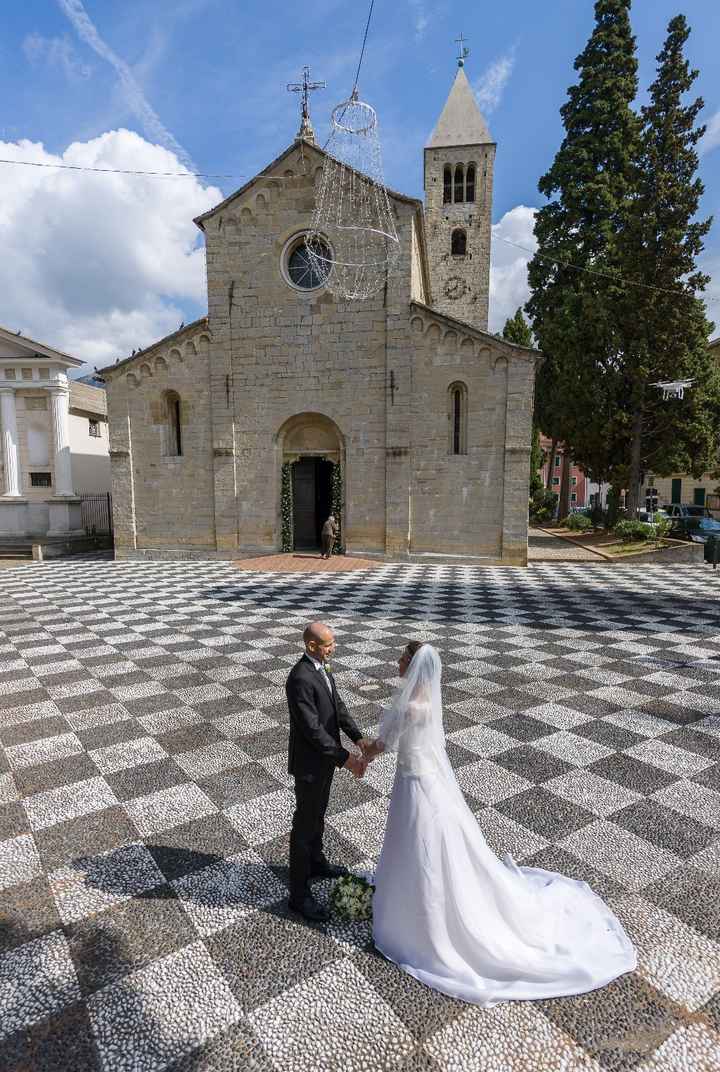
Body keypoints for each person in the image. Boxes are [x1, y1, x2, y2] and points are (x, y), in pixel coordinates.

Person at [362, 641, 637, 1005]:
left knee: (418, 840)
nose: (397, 662)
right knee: (430, 841)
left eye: (402, 658)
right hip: (425, 779)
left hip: (415, 782)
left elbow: (384, 742)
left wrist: (360, 752)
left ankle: (419, 916)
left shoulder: (412, 705)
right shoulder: (426, 702)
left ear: (414, 666)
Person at [286, 622, 372, 921]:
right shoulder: (299, 678)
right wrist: (347, 758)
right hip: (310, 763)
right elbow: (312, 730)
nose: (332, 648)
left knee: (318, 814)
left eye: (333, 642)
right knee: (304, 823)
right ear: (311, 646)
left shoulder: (323, 667)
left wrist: (358, 736)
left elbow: (338, 707)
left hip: (324, 761)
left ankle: (316, 862)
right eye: (327, 644)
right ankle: (298, 894)